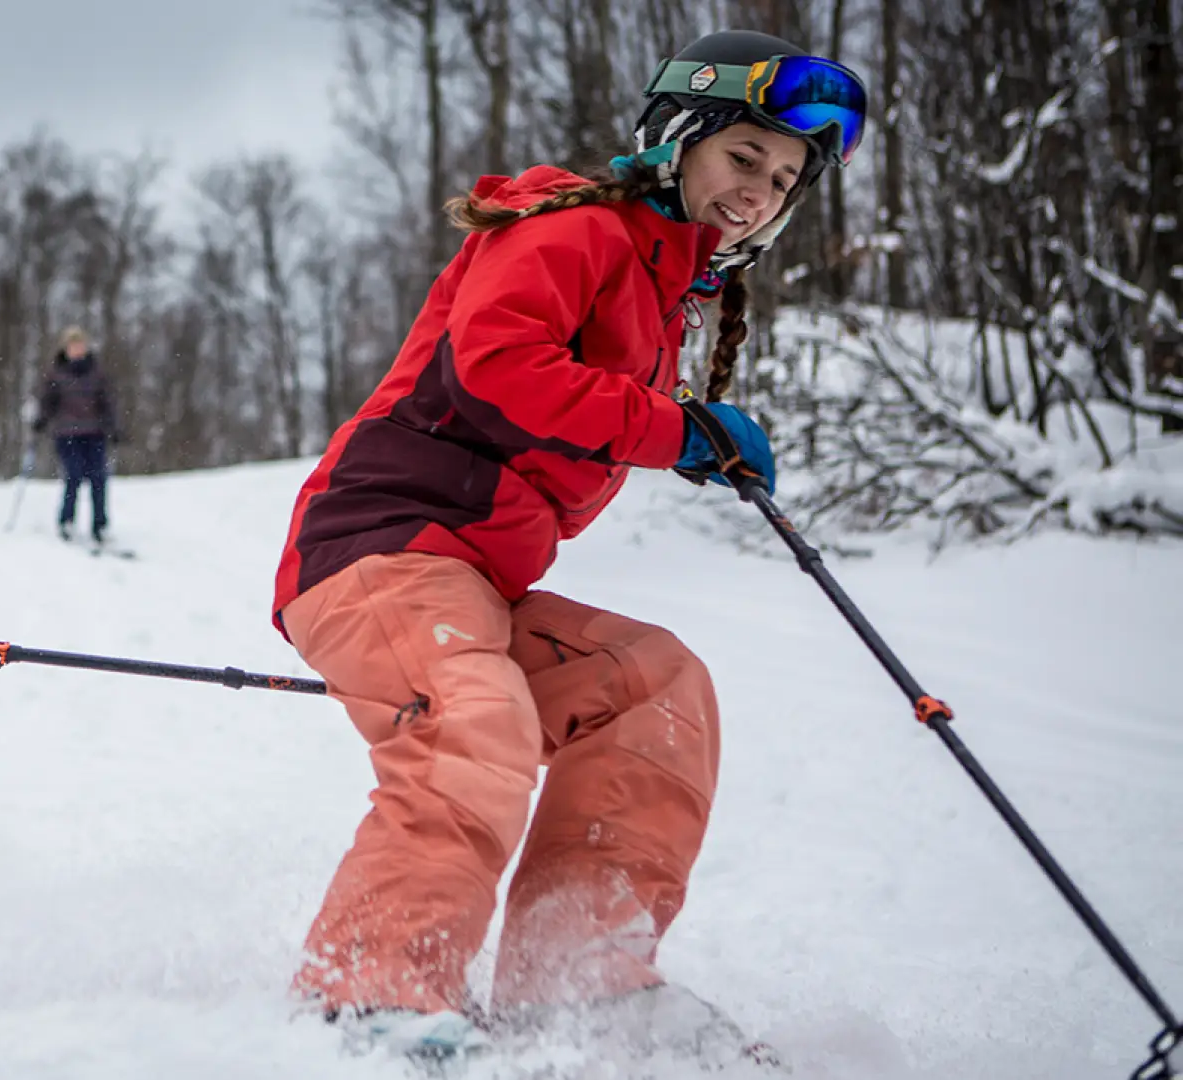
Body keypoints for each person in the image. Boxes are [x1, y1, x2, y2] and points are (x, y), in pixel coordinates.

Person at [270, 30, 867, 1063]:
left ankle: (574, 979)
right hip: (377, 549)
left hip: (471, 580)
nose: (760, 191)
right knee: (477, 720)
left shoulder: (661, 285)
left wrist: (692, 433)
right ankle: (366, 1002)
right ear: (679, 139)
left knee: (653, 686)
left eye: (783, 179)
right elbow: (498, 367)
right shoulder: (579, 228)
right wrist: (676, 430)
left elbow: (589, 408)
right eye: (743, 158)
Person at [32, 326, 124, 544]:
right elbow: (48, 402)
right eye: (73, 345)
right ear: (66, 349)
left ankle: (100, 525)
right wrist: (41, 420)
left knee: (98, 478)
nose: (77, 349)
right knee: (73, 475)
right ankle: (67, 521)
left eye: (80, 345)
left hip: (94, 432)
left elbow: (107, 403)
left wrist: (114, 427)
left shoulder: (97, 373)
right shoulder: (56, 374)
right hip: (66, 433)